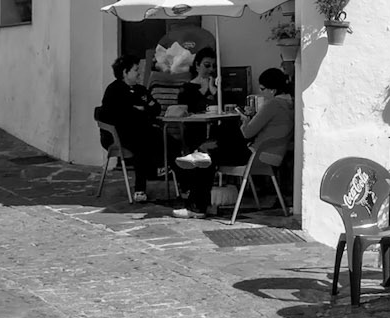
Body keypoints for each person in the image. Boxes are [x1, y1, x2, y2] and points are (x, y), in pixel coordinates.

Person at [174, 68, 293, 217]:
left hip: (254, 154)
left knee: (222, 135)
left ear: (273, 90)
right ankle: (202, 153)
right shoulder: (289, 105)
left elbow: (247, 132)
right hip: (269, 155)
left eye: (263, 89)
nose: (262, 93)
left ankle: (197, 206)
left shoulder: (272, 105)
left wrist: (245, 120)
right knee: (213, 151)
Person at [96, 54, 161, 202]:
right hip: (121, 135)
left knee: (167, 140)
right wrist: (140, 110)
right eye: (136, 70)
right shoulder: (114, 90)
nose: (139, 73)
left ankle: (181, 184)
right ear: (125, 72)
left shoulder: (141, 90)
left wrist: (141, 109)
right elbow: (118, 114)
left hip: (144, 130)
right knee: (142, 145)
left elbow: (155, 107)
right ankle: (140, 189)